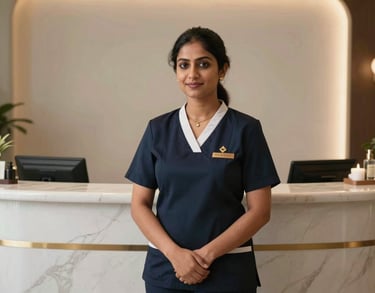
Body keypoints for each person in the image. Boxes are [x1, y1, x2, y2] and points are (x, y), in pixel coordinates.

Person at [125, 27, 280, 293]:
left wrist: (204, 257)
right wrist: (176, 255)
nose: (192, 74)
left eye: (204, 64)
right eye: (184, 65)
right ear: (176, 71)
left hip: (228, 271)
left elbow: (260, 211)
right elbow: (139, 204)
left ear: (222, 70)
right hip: (166, 270)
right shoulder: (158, 129)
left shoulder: (245, 129)